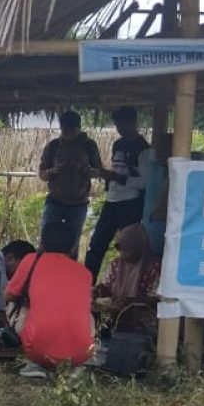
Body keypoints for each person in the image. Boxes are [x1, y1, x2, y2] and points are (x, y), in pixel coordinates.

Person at [4, 222, 94, 378]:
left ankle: (37, 365)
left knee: (15, 306)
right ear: (73, 247)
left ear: (42, 244)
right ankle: (71, 367)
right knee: (88, 315)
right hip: (80, 354)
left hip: (38, 350)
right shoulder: (85, 273)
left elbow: (8, 296)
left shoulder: (31, 260)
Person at [84, 107, 150, 280]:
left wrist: (118, 178)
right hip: (112, 199)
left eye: (123, 124)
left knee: (129, 246)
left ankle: (128, 284)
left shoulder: (144, 149)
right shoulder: (118, 144)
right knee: (96, 243)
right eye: (117, 125)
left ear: (133, 123)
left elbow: (144, 182)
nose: (120, 128)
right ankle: (87, 284)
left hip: (130, 202)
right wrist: (106, 175)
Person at [37, 111, 103, 255]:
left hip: (78, 203)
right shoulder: (53, 146)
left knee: (72, 245)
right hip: (55, 201)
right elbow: (42, 174)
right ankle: (39, 272)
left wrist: (82, 169)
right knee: (45, 241)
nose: (67, 133)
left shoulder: (89, 146)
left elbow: (99, 171)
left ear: (78, 128)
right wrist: (54, 170)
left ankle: (68, 274)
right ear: (61, 127)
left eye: (71, 130)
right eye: (64, 129)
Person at [94, 223, 162, 333]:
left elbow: (156, 299)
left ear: (138, 247)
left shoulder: (154, 267)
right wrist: (97, 291)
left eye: (127, 250)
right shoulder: (116, 264)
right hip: (114, 318)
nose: (123, 254)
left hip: (143, 323)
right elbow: (107, 286)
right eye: (121, 250)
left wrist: (131, 302)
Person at [139, 132, 173, 257]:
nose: (158, 153)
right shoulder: (158, 170)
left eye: (163, 149)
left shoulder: (176, 175)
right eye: (158, 149)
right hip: (154, 222)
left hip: (162, 223)